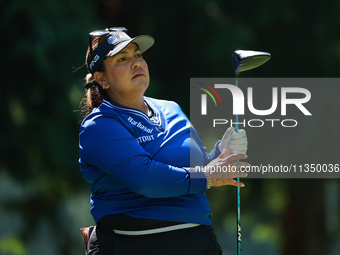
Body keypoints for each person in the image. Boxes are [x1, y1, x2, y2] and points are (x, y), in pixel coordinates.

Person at [79, 27, 249, 255]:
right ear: (102, 79)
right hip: (132, 245)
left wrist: (222, 152)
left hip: (198, 242)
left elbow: (198, 170)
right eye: (122, 59)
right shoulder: (98, 126)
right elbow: (145, 178)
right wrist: (207, 176)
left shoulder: (172, 108)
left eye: (138, 55)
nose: (136, 63)